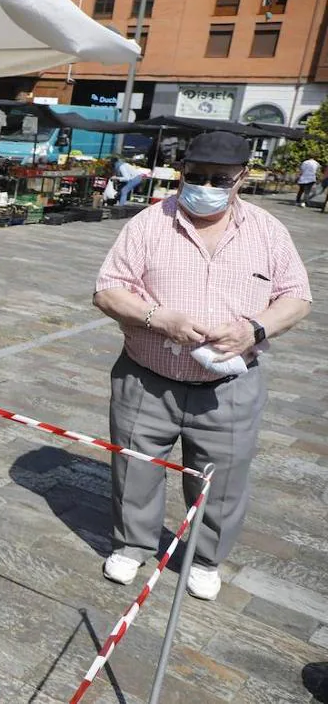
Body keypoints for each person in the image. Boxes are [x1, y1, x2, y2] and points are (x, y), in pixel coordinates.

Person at [93, 131, 311, 601]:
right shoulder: (149, 224)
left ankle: (207, 556)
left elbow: (297, 297)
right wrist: (157, 317)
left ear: (242, 179)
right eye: (194, 177)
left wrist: (255, 328)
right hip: (146, 376)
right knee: (135, 466)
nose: (204, 186)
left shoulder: (268, 231)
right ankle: (132, 543)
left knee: (224, 477)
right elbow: (107, 290)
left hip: (229, 385)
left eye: (219, 179)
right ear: (181, 173)